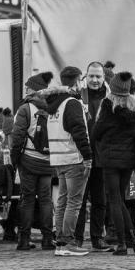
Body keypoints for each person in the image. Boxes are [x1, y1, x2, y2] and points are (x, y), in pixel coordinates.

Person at [93, 72, 135, 255]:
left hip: (109, 160)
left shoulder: (108, 107)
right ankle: (133, 240)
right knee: (120, 198)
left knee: (114, 199)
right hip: (128, 160)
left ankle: (122, 243)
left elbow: (96, 133)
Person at [46, 67, 93, 257]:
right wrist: (88, 157)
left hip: (58, 159)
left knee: (63, 201)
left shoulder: (54, 104)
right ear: (77, 81)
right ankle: (68, 242)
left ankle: (60, 243)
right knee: (74, 202)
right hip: (73, 157)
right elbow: (79, 132)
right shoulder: (72, 103)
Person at [9, 72, 56, 251]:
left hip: (28, 160)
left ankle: (24, 239)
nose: (25, 89)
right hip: (47, 161)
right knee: (46, 200)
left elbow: (17, 136)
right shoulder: (52, 107)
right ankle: (47, 239)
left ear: (33, 90)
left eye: (28, 87)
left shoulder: (25, 109)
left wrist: (14, 159)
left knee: (27, 199)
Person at [75, 61, 111, 250]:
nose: (95, 80)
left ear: (104, 78)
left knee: (100, 200)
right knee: (79, 200)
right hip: (82, 155)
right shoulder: (78, 96)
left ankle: (97, 238)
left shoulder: (110, 98)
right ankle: (77, 238)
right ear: (85, 76)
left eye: (98, 76)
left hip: (102, 156)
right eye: (91, 76)